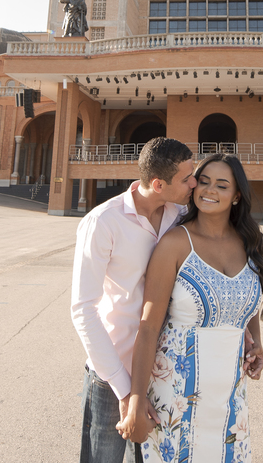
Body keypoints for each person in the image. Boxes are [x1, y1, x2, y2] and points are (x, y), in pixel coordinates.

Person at [119, 153, 263, 463]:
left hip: (230, 397)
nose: (209, 190)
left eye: (221, 184)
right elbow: (149, 326)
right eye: (203, 182)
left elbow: (249, 300)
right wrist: (135, 399)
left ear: (237, 195)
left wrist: (256, 344)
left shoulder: (250, 242)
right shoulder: (175, 243)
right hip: (174, 394)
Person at [71, 137, 201, 463]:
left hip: (167, 370)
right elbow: (83, 309)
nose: (194, 183)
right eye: (186, 178)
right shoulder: (103, 222)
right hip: (112, 374)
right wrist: (126, 391)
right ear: (158, 184)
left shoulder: (182, 215)